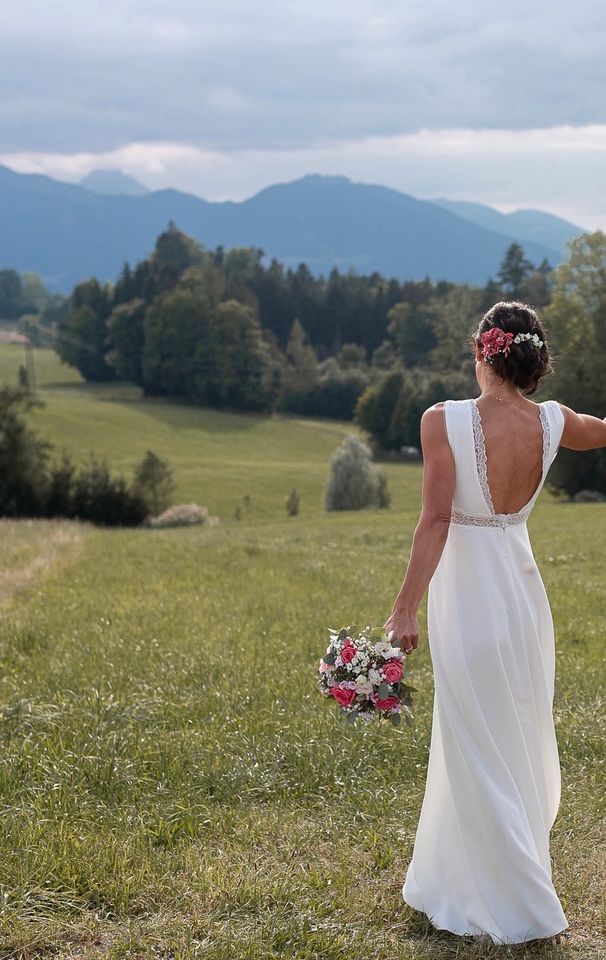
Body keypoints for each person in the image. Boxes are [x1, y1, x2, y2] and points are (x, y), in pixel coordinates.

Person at [383, 300, 606, 947]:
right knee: (509, 732)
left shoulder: (441, 421)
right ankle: (466, 877)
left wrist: (404, 608)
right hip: (522, 593)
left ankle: (523, 903)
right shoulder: (557, 422)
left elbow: (436, 520)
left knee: (474, 739)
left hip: (471, 595)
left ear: (484, 350)